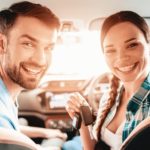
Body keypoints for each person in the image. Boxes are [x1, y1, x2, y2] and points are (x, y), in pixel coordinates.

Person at [66, 10, 150, 150]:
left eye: (132, 45)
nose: (122, 58)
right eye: (111, 50)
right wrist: (83, 117)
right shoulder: (109, 96)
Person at [0, 1, 67, 149]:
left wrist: (45, 132)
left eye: (49, 47)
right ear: (2, 44)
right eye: (28, 44)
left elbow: (10, 129)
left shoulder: (6, 93)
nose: (41, 60)